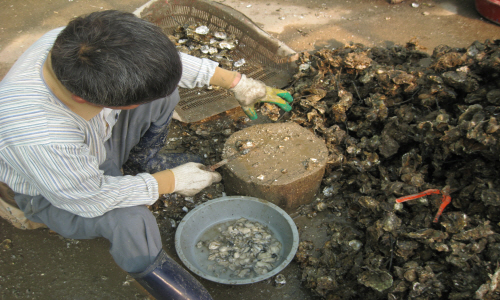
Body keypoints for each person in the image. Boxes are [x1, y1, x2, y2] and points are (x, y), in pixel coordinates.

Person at [0, 10, 293, 300]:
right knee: (131, 221)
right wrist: (168, 182)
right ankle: (163, 283)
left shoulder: (78, 47)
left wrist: (236, 82)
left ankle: (139, 166)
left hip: (93, 144)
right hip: (55, 190)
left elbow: (158, 67)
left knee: (163, 92)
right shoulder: (42, 137)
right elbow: (90, 198)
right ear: (85, 99)